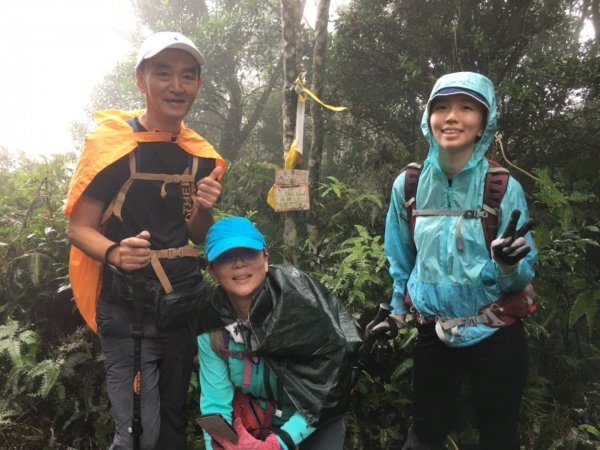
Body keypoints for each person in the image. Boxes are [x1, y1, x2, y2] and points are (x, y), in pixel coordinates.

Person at [65, 31, 226, 449]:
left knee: (173, 427)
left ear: (198, 85)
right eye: (163, 73)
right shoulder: (113, 148)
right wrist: (115, 252)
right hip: (128, 310)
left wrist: (205, 206)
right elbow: (78, 226)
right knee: (139, 433)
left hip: (181, 307)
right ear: (141, 79)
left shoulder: (199, 155)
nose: (176, 86)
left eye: (187, 76)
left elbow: (196, 233)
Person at [367, 72, 536, 449]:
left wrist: (509, 264)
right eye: (441, 107)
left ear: (483, 122)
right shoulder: (408, 186)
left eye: (466, 107)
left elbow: (520, 276)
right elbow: (401, 257)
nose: (452, 117)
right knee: (426, 434)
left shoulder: (503, 187)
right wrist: (396, 311)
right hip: (435, 331)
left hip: (498, 329)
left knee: (498, 435)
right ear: (428, 120)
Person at [196, 217, 362, 450]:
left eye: (249, 253)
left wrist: (279, 443)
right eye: (225, 257)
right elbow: (215, 403)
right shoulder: (212, 328)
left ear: (265, 258)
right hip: (255, 421)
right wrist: (221, 444)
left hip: (315, 418)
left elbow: (328, 384)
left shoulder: (302, 306)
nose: (239, 263)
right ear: (211, 271)